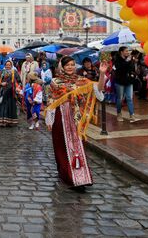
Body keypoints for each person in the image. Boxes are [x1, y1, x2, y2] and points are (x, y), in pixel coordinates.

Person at [45, 56, 107, 191]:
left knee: (77, 146)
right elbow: (50, 100)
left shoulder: (81, 81)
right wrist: (49, 118)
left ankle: (80, 177)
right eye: (67, 65)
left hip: (76, 118)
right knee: (62, 146)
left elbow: (98, 89)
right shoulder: (55, 82)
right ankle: (66, 174)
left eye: (72, 65)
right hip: (60, 116)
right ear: (62, 66)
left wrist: (102, 73)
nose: (70, 67)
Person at [112, 47, 139, 123]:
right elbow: (120, 69)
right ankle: (119, 114)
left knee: (130, 98)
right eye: (126, 51)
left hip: (128, 81)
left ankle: (132, 115)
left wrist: (132, 61)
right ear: (121, 52)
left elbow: (131, 69)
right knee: (120, 99)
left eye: (128, 51)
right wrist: (127, 61)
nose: (128, 52)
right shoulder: (116, 60)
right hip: (120, 81)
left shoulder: (129, 59)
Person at [0, 61, 22, 127]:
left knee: (11, 106)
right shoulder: (2, 72)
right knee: (2, 106)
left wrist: (18, 88)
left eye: (9, 65)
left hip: (11, 93)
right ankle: (2, 121)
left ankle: (10, 122)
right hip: (3, 91)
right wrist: (1, 83)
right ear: (5, 65)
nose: (8, 66)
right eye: (6, 65)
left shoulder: (14, 72)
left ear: (11, 65)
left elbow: (19, 81)